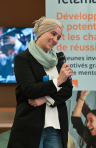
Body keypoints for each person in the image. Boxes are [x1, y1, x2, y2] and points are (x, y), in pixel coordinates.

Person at [7, 17, 73, 148]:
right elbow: (30, 90)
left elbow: (67, 90)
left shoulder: (58, 60)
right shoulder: (23, 59)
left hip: (56, 128)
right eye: (53, 34)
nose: (55, 40)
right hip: (30, 127)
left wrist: (45, 99)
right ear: (42, 32)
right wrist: (58, 80)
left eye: (58, 37)